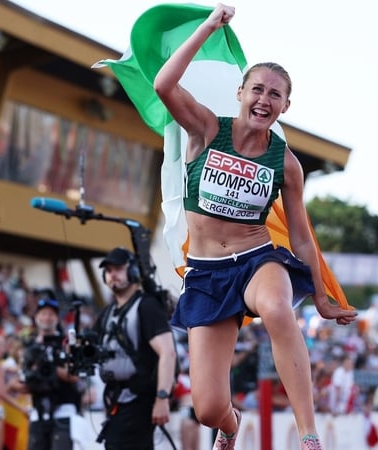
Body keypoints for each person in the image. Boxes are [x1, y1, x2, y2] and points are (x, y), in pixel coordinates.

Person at [152, 4, 357, 448]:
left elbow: (301, 236)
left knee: (279, 310)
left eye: (276, 95)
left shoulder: (285, 163)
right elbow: (164, 85)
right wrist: (208, 27)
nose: (265, 100)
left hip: (255, 258)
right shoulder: (207, 129)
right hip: (206, 273)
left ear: (286, 105)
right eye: (258, 90)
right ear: (241, 93)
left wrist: (319, 298)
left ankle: (308, 435)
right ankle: (230, 424)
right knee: (207, 406)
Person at [92, 247, 176, 450]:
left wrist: (162, 398)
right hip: (115, 400)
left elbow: (168, 352)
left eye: (119, 269)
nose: (113, 274)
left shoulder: (146, 306)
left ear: (133, 272)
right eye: (109, 270)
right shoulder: (108, 312)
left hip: (140, 399)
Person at [21, 295, 82, 450]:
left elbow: (74, 375)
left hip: (63, 409)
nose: (47, 318)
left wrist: (51, 367)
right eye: (43, 313)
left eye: (51, 314)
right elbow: (22, 379)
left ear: (57, 318)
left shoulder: (66, 342)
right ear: (36, 317)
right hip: (38, 411)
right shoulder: (30, 346)